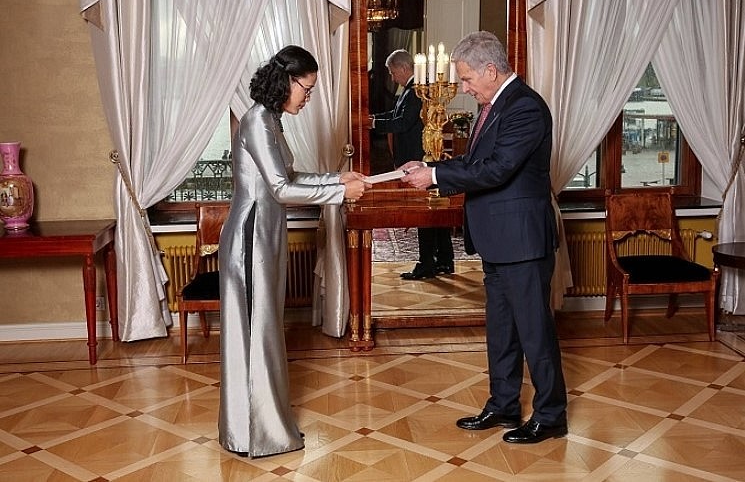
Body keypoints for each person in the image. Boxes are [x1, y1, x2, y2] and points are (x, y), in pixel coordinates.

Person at [400, 31, 568, 444]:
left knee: (534, 333)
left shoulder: (525, 108)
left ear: (491, 70)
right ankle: (504, 404)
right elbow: (476, 160)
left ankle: (551, 415)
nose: (462, 88)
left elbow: (497, 170)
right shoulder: (494, 105)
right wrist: (429, 163)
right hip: (498, 240)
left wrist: (435, 177)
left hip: (523, 242)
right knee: (501, 330)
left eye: (467, 79)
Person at [218, 45, 368, 458]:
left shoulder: (271, 120)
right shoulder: (257, 121)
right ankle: (258, 435)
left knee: (264, 332)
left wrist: (336, 176)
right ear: (287, 80)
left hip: (265, 238)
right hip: (250, 241)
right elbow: (282, 190)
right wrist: (340, 192)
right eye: (308, 87)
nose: (308, 96)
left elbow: (289, 176)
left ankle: (258, 430)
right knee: (258, 333)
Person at [369, 49, 454, 280]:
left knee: (425, 214)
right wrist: (374, 120)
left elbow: (403, 123)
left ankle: (427, 264)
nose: (391, 76)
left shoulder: (418, 92)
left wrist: (375, 124)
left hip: (419, 161)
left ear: (403, 68)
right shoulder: (409, 91)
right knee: (434, 213)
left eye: (392, 71)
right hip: (417, 159)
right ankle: (445, 260)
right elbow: (396, 115)